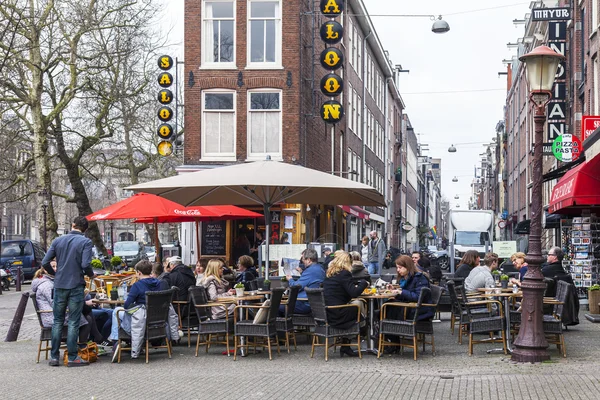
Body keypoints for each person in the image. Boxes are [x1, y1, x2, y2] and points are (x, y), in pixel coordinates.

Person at [41, 216, 95, 367]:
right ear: (85, 229)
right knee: (73, 321)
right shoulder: (86, 242)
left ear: (72, 225)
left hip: (59, 285)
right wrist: (91, 275)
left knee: (57, 321)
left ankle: (53, 357)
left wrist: (55, 274)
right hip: (76, 285)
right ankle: (72, 357)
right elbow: (85, 264)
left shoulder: (58, 240)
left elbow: (45, 262)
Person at [108, 260, 162, 359]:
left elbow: (127, 305)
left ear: (139, 272)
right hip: (156, 319)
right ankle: (131, 344)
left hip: (140, 320)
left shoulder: (137, 285)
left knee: (116, 311)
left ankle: (116, 342)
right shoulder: (158, 283)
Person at [323, 251, 369, 357]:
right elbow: (354, 293)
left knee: (356, 306)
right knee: (359, 308)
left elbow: (342, 293)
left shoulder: (330, 274)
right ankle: (360, 333)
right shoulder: (344, 273)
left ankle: (346, 345)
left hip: (329, 312)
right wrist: (364, 283)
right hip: (338, 313)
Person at [31, 263, 90, 345]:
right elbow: (55, 303)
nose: (56, 269)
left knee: (89, 313)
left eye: (57, 266)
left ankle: (90, 344)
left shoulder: (53, 281)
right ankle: (82, 348)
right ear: (44, 269)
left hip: (57, 313)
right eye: (53, 267)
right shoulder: (47, 285)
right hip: (52, 317)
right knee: (86, 319)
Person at [284, 248, 325, 315]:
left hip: (304, 304)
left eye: (302, 259)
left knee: (275, 307)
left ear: (309, 260)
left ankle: (281, 325)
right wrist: (302, 272)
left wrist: (290, 279)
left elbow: (295, 287)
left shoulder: (310, 271)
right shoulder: (320, 268)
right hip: (314, 304)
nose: (302, 261)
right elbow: (310, 281)